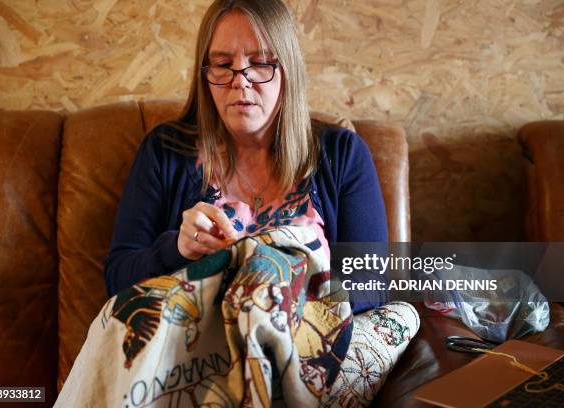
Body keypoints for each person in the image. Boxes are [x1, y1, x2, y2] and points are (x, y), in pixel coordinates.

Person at [103, 0, 388, 313]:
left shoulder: (342, 154)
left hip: (304, 346)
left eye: (261, 62)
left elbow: (373, 284)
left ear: (288, 69)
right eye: (223, 65)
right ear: (205, 74)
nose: (240, 80)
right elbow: (117, 281)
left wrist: (275, 298)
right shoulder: (164, 151)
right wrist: (177, 249)